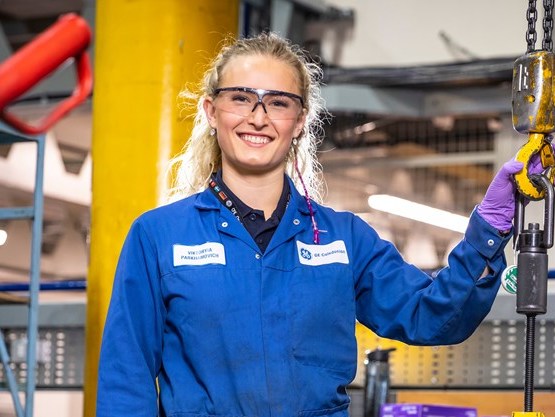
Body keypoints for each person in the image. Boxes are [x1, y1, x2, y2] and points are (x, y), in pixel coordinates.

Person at [96, 32, 543, 417]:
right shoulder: (159, 236)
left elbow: (433, 316)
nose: (258, 116)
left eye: (278, 102)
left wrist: (490, 226)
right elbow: (125, 378)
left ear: (300, 121)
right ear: (212, 112)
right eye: (241, 98)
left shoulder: (345, 240)